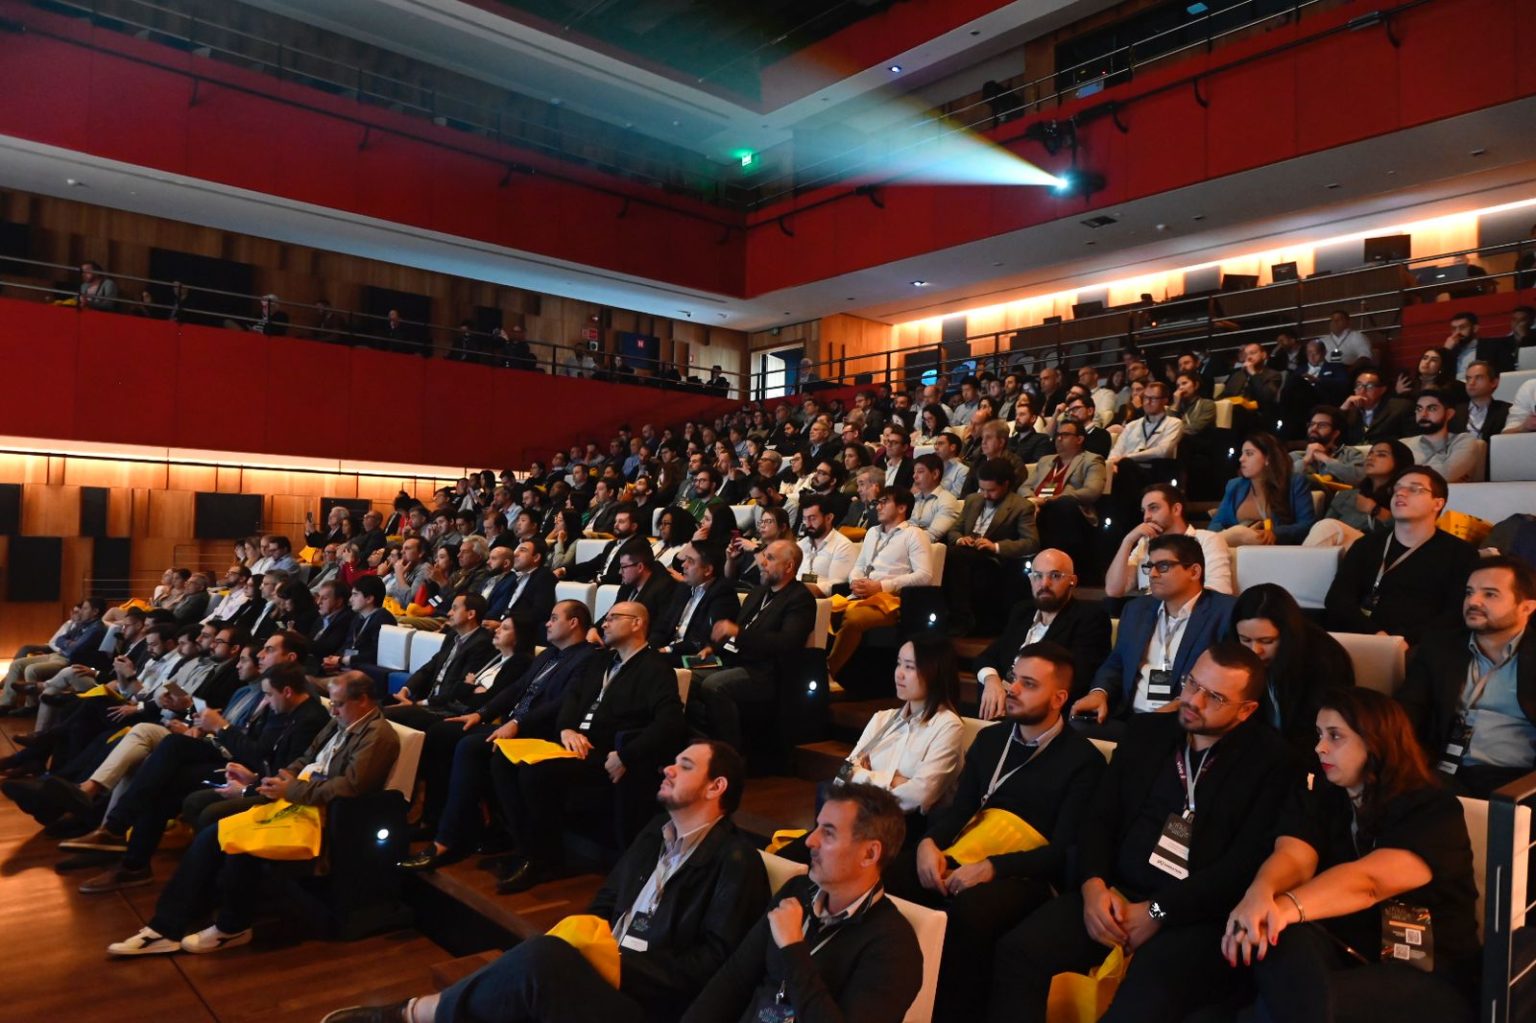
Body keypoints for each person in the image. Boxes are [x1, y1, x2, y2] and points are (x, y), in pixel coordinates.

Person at [333, 741, 769, 1023]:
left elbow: (713, 966)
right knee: (540, 964)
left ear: (716, 787)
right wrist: (590, 945)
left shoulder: (736, 860)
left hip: (650, 1002)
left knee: (542, 959)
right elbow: (607, 900)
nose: (668, 769)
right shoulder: (657, 830)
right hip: (607, 968)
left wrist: (616, 964)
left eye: (685, 765)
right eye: (674, 761)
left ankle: (411, 1014)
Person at [987, 643, 1295, 1023]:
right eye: (1192, 684)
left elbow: (1240, 867)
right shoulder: (1147, 732)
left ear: (1246, 710)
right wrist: (1093, 886)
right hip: (1113, 892)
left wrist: (1157, 911)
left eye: (1214, 697)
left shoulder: (1271, 762)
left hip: (1191, 914)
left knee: (1142, 999)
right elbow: (1099, 818)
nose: (1193, 700)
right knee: (1020, 952)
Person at [1223, 688, 1478, 1023]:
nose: (1319, 747)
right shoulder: (1324, 792)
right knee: (1281, 941)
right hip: (1345, 952)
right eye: (1319, 734)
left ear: (1376, 742)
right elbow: (1294, 856)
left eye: (1335, 736)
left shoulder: (1433, 807)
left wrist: (1280, 909)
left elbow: (1368, 883)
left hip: (1427, 968)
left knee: (1287, 998)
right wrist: (1260, 894)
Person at [106, 671, 399, 956]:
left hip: (319, 817)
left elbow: (349, 788)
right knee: (217, 832)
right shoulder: (340, 722)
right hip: (296, 801)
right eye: (332, 703)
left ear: (363, 700)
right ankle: (183, 921)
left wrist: (290, 788)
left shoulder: (378, 735)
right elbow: (307, 758)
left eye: (339, 704)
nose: (333, 710)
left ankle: (192, 927)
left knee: (220, 836)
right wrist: (280, 777)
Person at [900, 642, 1108, 1020]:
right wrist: (928, 842)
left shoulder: (1084, 762)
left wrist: (993, 868)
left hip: (1029, 873)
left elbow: (1062, 850)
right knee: (893, 874)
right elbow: (960, 812)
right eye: (1014, 678)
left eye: (1030, 684)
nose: (1013, 689)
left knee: (972, 911)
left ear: (1059, 698)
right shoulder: (991, 740)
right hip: (969, 849)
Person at [679, 783, 922, 1023]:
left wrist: (793, 949)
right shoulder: (798, 891)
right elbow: (735, 979)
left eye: (828, 833)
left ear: (869, 854)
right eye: (816, 827)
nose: (810, 841)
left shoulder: (895, 948)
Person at [490, 601, 685, 894]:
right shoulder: (600, 660)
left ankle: (543, 859)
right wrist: (566, 728)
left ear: (636, 623)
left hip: (606, 752)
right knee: (502, 759)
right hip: (572, 744)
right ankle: (526, 846)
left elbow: (670, 722)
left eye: (613, 618)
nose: (604, 623)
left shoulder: (656, 667)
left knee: (535, 773)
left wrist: (625, 755)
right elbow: (572, 697)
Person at [398, 601, 600, 871]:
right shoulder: (549, 654)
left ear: (573, 623)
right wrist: (481, 714)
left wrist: (517, 723)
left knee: (470, 746)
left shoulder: (588, 657)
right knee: (441, 733)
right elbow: (516, 688)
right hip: (512, 724)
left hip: (537, 731)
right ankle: (436, 820)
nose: (547, 623)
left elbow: (564, 702)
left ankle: (448, 840)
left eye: (553, 618)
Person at [781, 635, 964, 867]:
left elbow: (921, 795)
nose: (899, 673)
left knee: (819, 864)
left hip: (898, 831)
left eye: (909, 667)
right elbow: (843, 774)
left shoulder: (948, 725)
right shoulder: (882, 719)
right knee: (786, 860)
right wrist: (893, 780)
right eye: (898, 664)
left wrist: (864, 775)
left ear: (934, 671)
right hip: (855, 819)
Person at [1398, 555, 1536, 797]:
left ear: (1526, 607)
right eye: (1469, 592)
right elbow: (1407, 710)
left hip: (1515, 782)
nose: (1473, 601)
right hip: (1442, 772)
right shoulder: (1440, 648)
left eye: (1490, 594)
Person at [1074, 534, 1237, 738]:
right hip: (1130, 718)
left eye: (1163, 566)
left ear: (1194, 571)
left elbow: (1226, 681)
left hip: (1184, 721)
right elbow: (1117, 662)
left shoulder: (1225, 613)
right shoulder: (1136, 609)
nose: (1152, 574)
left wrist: (1180, 704)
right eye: (1149, 566)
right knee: (1075, 726)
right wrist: (1099, 693)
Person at [1324, 466, 1479, 640]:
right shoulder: (1366, 545)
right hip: (1364, 639)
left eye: (1414, 489)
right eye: (1397, 488)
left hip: (1423, 646)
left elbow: (1455, 615)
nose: (1400, 493)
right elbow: (1337, 600)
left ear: (1437, 503)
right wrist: (1376, 635)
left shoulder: (1461, 553)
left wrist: (1403, 640)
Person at [697, 540, 816, 753]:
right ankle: (700, 745)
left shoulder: (800, 599)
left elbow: (787, 642)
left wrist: (738, 633)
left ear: (789, 566)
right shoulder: (759, 592)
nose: (762, 562)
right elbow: (737, 630)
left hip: (766, 672)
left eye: (770, 558)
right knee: (687, 677)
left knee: (714, 686)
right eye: (764, 556)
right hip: (736, 660)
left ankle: (729, 755)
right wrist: (713, 649)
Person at [974, 549, 1113, 715]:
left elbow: (1076, 680)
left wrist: (1016, 696)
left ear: (1072, 581)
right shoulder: (1022, 612)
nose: (1044, 584)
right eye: (1038, 576)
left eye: (1055, 576)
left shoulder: (1089, 618)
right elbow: (988, 656)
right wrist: (991, 681)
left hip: (1043, 713)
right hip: (998, 706)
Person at [1229, 583, 1355, 752]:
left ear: (1287, 635)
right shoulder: (1233, 649)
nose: (1255, 650)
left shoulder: (1325, 660)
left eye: (1266, 641)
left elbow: (1321, 727)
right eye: (1245, 640)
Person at [826, 488, 933, 682]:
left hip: (891, 600)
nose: (878, 507)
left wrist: (882, 586)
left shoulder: (914, 534)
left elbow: (925, 576)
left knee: (854, 618)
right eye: (878, 502)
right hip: (861, 594)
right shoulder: (872, 532)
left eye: (884, 502)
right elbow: (859, 566)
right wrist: (855, 581)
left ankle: (829, 672)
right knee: (818, 611)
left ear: (902, 507)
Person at [942, 458, 1040, 635]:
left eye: (991, 490)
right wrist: (960, 539)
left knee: (954, 556)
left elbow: (1031, 543)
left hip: (993, 558)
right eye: (982, 489)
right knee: (948, 553)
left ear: (1006, 485)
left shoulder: (1021, 506)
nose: (986, 495)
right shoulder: (973, 500)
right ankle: (957, 616)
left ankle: (962, 618)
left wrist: (995, 546)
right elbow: (954, 530)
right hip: (966, 551)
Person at [1104, 483, 1233, 598]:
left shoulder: (1207, 540)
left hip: (1192, 614)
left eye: (1153, 508)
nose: (1146, 517)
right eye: (1144, 511)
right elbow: (1113, 590)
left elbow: (1219, 593)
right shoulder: (1144, 544)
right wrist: (1127, 541)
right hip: (1151, 612)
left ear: (1176, 509)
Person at [1020, 419, 1106, 570]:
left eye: (1065, 435)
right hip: (1037, 507)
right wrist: (1031, 500)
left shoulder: (1092, 460)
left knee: (1063, 505)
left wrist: (1049, 500)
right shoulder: (1045, 460)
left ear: (1079, 439)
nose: (1059, 438)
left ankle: (1057, 565)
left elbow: (1092, 491)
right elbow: (1024, 487)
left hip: (1070, 512)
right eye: (1057, 435)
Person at [1303, 438, 1416, 548]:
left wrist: (1375, 510)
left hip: (1381, 549)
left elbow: (1411, 531)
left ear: (1399, 462)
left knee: (1328, 527)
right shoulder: (1346, 496)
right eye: (1370, 454)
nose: (1371, 458)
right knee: (1326, 526)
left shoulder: (1405, 496)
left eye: (1381, 455)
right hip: (1341, 550)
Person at [1209, 433, 1316, 546]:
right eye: (1242, 454)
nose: (1241, 459)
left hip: (1277, 549)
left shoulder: (1294, 482)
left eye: (1249, 454)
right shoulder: (1234, 485)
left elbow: (1306, 525)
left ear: (1267, 459)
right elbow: (1216, 524)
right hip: (1236, 549)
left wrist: (1276, 533)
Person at [649, 541, 739, 665]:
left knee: (651, 663)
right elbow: (663, 626)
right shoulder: (684, 587)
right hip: (669, 651)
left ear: (707, 570)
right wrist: (650, 646)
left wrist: (667, 650)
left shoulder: (722, 594)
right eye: (685, 560)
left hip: (696, 657)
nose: (683, 565)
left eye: (690, 561)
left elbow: (704, 639)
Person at [1406, 389, 1479, 484]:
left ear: (1449, 414)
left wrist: (1408, 474)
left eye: (1432, 409)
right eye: (1419, 409)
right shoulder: (1404, 444)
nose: (1423, 414)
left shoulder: (1463, 441)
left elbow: (1447, 475)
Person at [796, 492, 856, 597]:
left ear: (829, 518)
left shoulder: (843, 546)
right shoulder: (801, 544)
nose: (808, 524)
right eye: (805, 519)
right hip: (794, 595)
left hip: (819, 600)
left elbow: (836, 586)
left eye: (812, 518)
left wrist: (800, 590)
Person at [1291, 405, 1366, 487]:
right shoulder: (1295, 456)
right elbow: (1284, 481)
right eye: (1312, 424)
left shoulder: (1351, 454)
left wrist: (1325, 459)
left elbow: (1359, 479)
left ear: (1335, 433)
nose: (1314, 428)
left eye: (1322, 425)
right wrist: (1305, 461)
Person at [1342, 368, 1413, 444]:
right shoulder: (1349, 409)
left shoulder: (1400, 408)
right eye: (1359, 385)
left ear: (1382, 389)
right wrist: (1343, 409)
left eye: (1369, 386)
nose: (1362, 391)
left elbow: (1411, 440)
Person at [908, 453, 961, 542]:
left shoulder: (947, 500)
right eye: (914, 472)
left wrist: (904, 539)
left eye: (920, 472)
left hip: (925, 547)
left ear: (935, 474)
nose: (914, 476)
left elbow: (932, 535)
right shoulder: (913, 498)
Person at [1457, 360, 1511, 440]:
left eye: (1478, 378)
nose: (1471, 383)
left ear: (1494, 382)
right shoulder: (1455, 411)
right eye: (1468, 378)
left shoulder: (1506, 411)